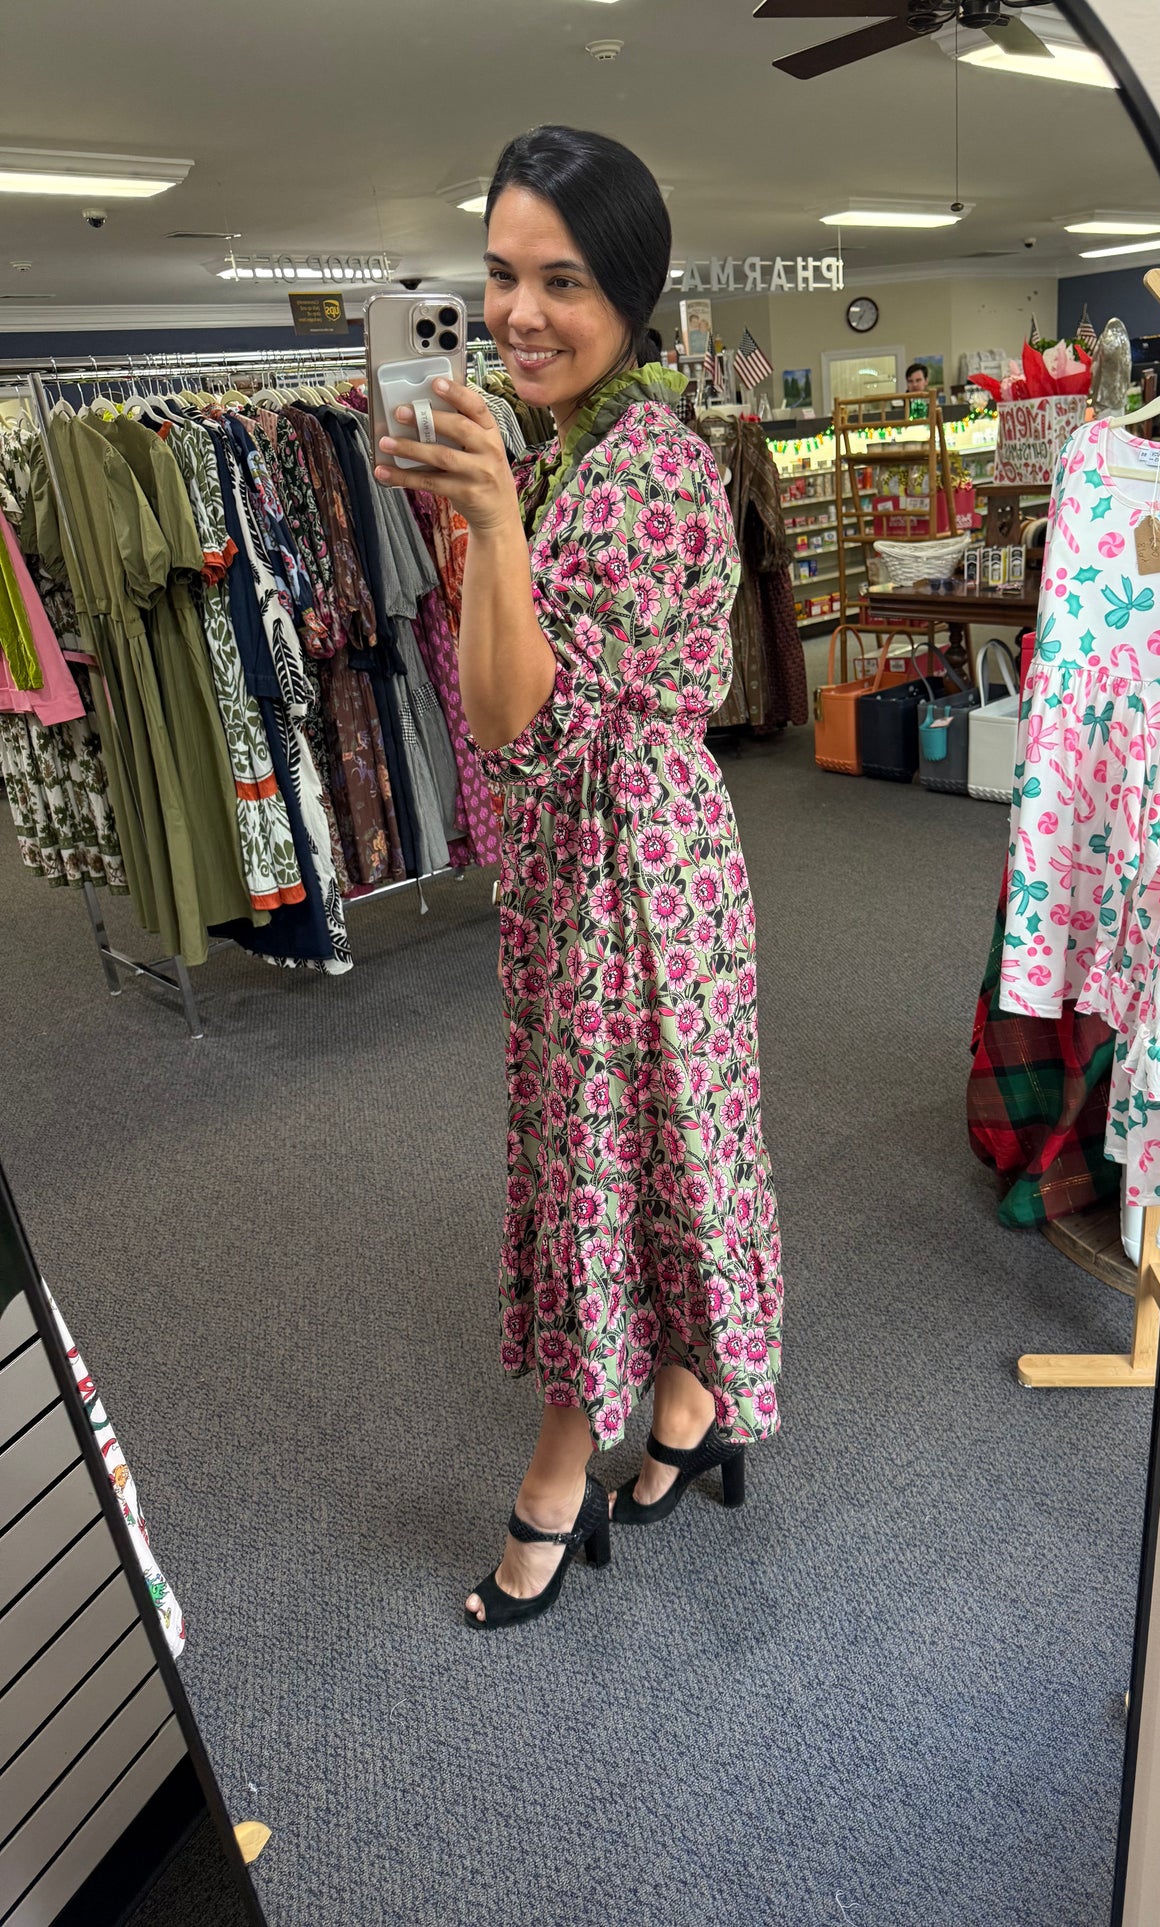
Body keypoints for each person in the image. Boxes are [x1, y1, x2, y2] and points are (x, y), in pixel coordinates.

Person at [374, 125, 784, 1631]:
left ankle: (560, 1480)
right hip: (602, 864)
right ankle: (687, 1412)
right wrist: (490, 510)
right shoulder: (573, 450)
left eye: (560, 279)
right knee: (665, 1149)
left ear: (629, 289)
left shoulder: (651, 469)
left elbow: (503, 714)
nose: (518, 312)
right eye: (497, 276)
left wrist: (490, 524)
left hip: (633, 880)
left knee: (604, 1168)